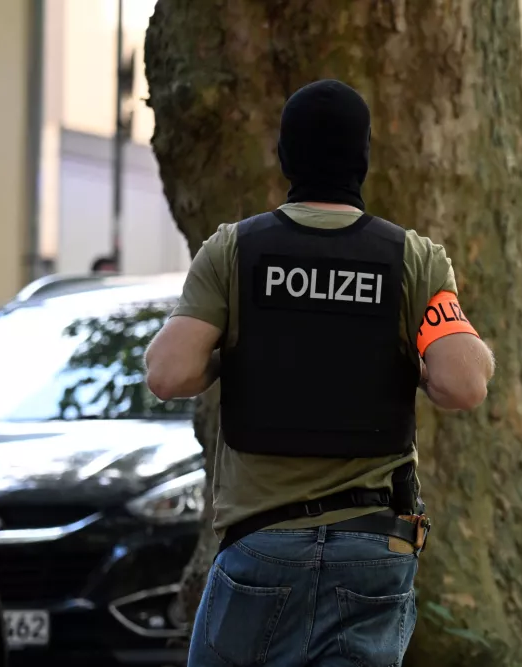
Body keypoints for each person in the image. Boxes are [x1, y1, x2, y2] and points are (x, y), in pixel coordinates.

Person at [143, 79, 495, 667]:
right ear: (364, 157)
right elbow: (464, 384)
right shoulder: (413, 259)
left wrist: (239, 350)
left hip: (262, 547)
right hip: (372, 552)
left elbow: (168, 374)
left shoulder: (233, 251)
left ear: (284, 156)